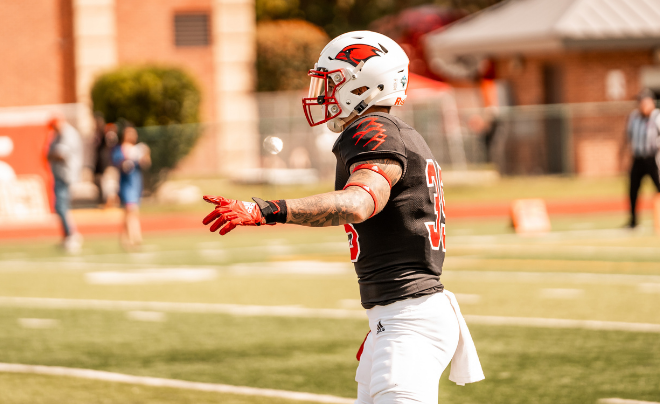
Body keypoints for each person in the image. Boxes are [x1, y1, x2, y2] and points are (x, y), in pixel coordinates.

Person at [202, 31, 484, 403]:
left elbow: (358, 202)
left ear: (362, 83)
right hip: (400, 317)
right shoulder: (396, 132)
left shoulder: (375, 129)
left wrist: (268, 210)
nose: (323, 93)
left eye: (331, 81)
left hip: (407, 322)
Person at [46, 115, 83, 253]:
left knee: (61, 206)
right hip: (59, 175)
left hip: (66, 174)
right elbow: (48, 154)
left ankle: (72, 234)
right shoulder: (58, 135)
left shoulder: (68, 134)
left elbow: (60, 154)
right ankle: (67, 235)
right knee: (60, 206)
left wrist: (51, 154)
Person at [624, 89, 660, 228]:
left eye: (644, 101)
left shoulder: (657, 117)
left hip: (653, 159)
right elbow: (628, 136)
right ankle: (633, 221)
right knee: (633, 189)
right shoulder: (634, 117)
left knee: (659, 187)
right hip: (638, 158)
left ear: (651, 102)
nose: (641, 104)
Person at [112, 126, 151, 248]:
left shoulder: (138, 149)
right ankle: (135, 237)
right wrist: (126, 161)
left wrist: (144, 156)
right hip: (126, 184)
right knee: (131, 209)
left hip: (136, 183)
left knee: (130, 212)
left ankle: (124, 239)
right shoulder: (120, 149)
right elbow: (117, 163)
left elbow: (146, 163)